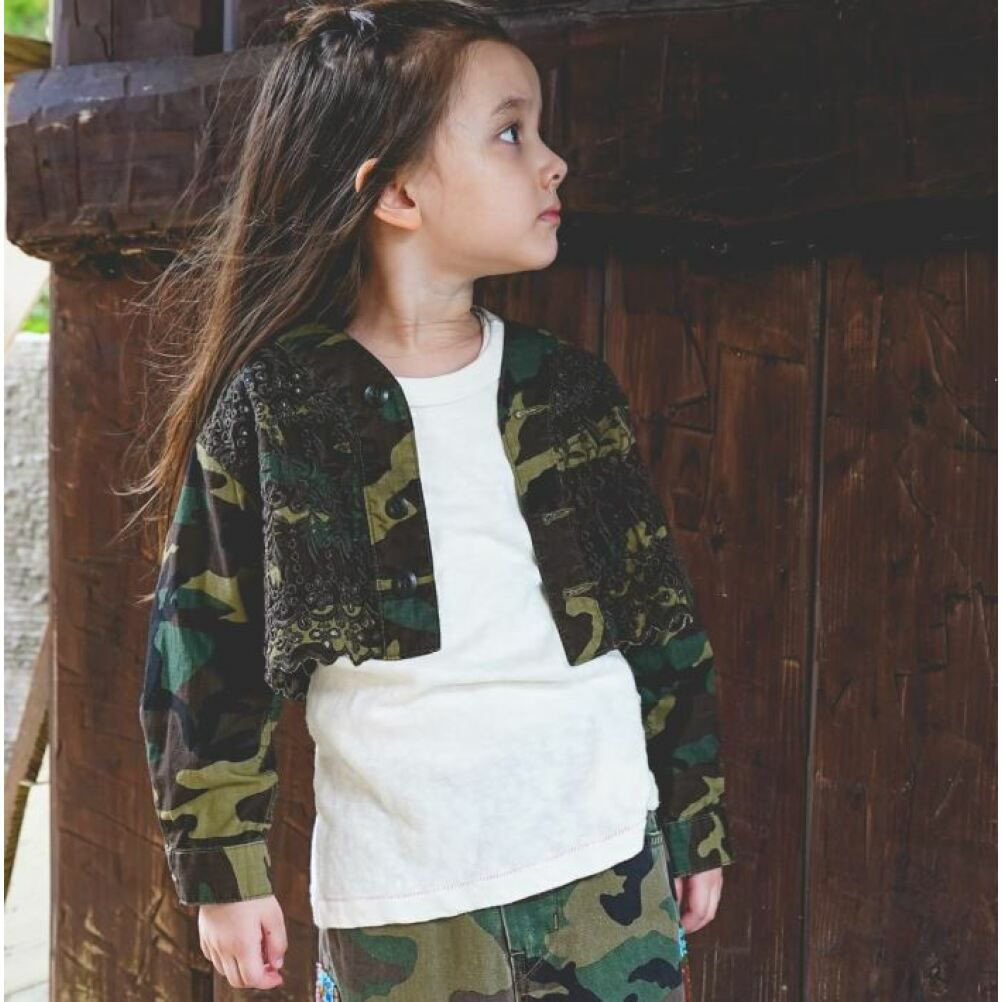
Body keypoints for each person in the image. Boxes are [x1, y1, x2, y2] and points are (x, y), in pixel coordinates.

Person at [129, 1, 736, 998]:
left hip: (607, 868)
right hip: (400, 901)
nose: (554, 162)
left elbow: (658, 618)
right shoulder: (280, 406)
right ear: (400, 192)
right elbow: (206, 652)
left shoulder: (565, 389)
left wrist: (693, 816)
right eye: (510, 134)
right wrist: (223, 874)